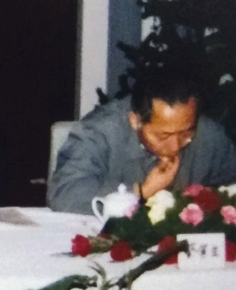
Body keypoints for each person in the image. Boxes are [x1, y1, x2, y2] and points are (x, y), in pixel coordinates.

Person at [48, 75, 236, 214]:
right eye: (163, 136)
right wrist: (141, 192)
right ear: (135, 121)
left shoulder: (209, 135)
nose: (175, 147)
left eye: (186, 133)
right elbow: (64, 196)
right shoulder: (99, 132)